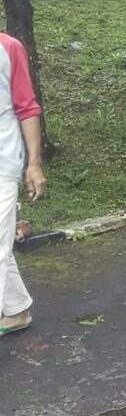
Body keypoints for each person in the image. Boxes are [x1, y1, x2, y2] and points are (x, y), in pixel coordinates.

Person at [0, 33, 45, 337]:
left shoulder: (8, 48)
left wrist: (34, 163)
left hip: (3, 163)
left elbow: (26, 107)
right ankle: (16, 310)